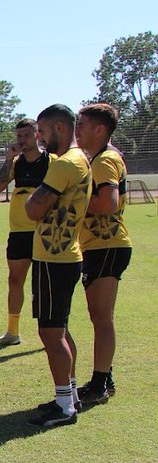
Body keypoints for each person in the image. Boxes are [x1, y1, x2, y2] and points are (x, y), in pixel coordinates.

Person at [25, 104, 91, 426]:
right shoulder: (77, 161)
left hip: (55, 258)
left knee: (51, 333)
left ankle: (64, 407)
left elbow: (33, 209)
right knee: (59, 330)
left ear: (60, 129)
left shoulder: (65, 164)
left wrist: (32, 199)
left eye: (42, 131)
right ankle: (70, 396)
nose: (38, 137)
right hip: (62, 256)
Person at [73, 104, 130, 405]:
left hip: (108, 245)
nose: (76, 130)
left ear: (100, 130)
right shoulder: (99, 158)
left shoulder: (105, 160)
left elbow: (108, 203)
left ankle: (100, 383)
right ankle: (103, 378)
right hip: (100, 246)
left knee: (102, 318)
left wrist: (72, 201)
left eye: (81, 124)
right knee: (99, 317)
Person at [0, 119, 47, 347]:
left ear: (38, 135)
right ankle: (12, 332)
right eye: (19, 136)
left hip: (44, 230)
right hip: (19, 232)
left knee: (45, 284)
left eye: (27, 135)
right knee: (15, 281)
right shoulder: (16, 163)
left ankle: (52, 331)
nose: (22, 140)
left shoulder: (51, 162)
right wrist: (8, 160)